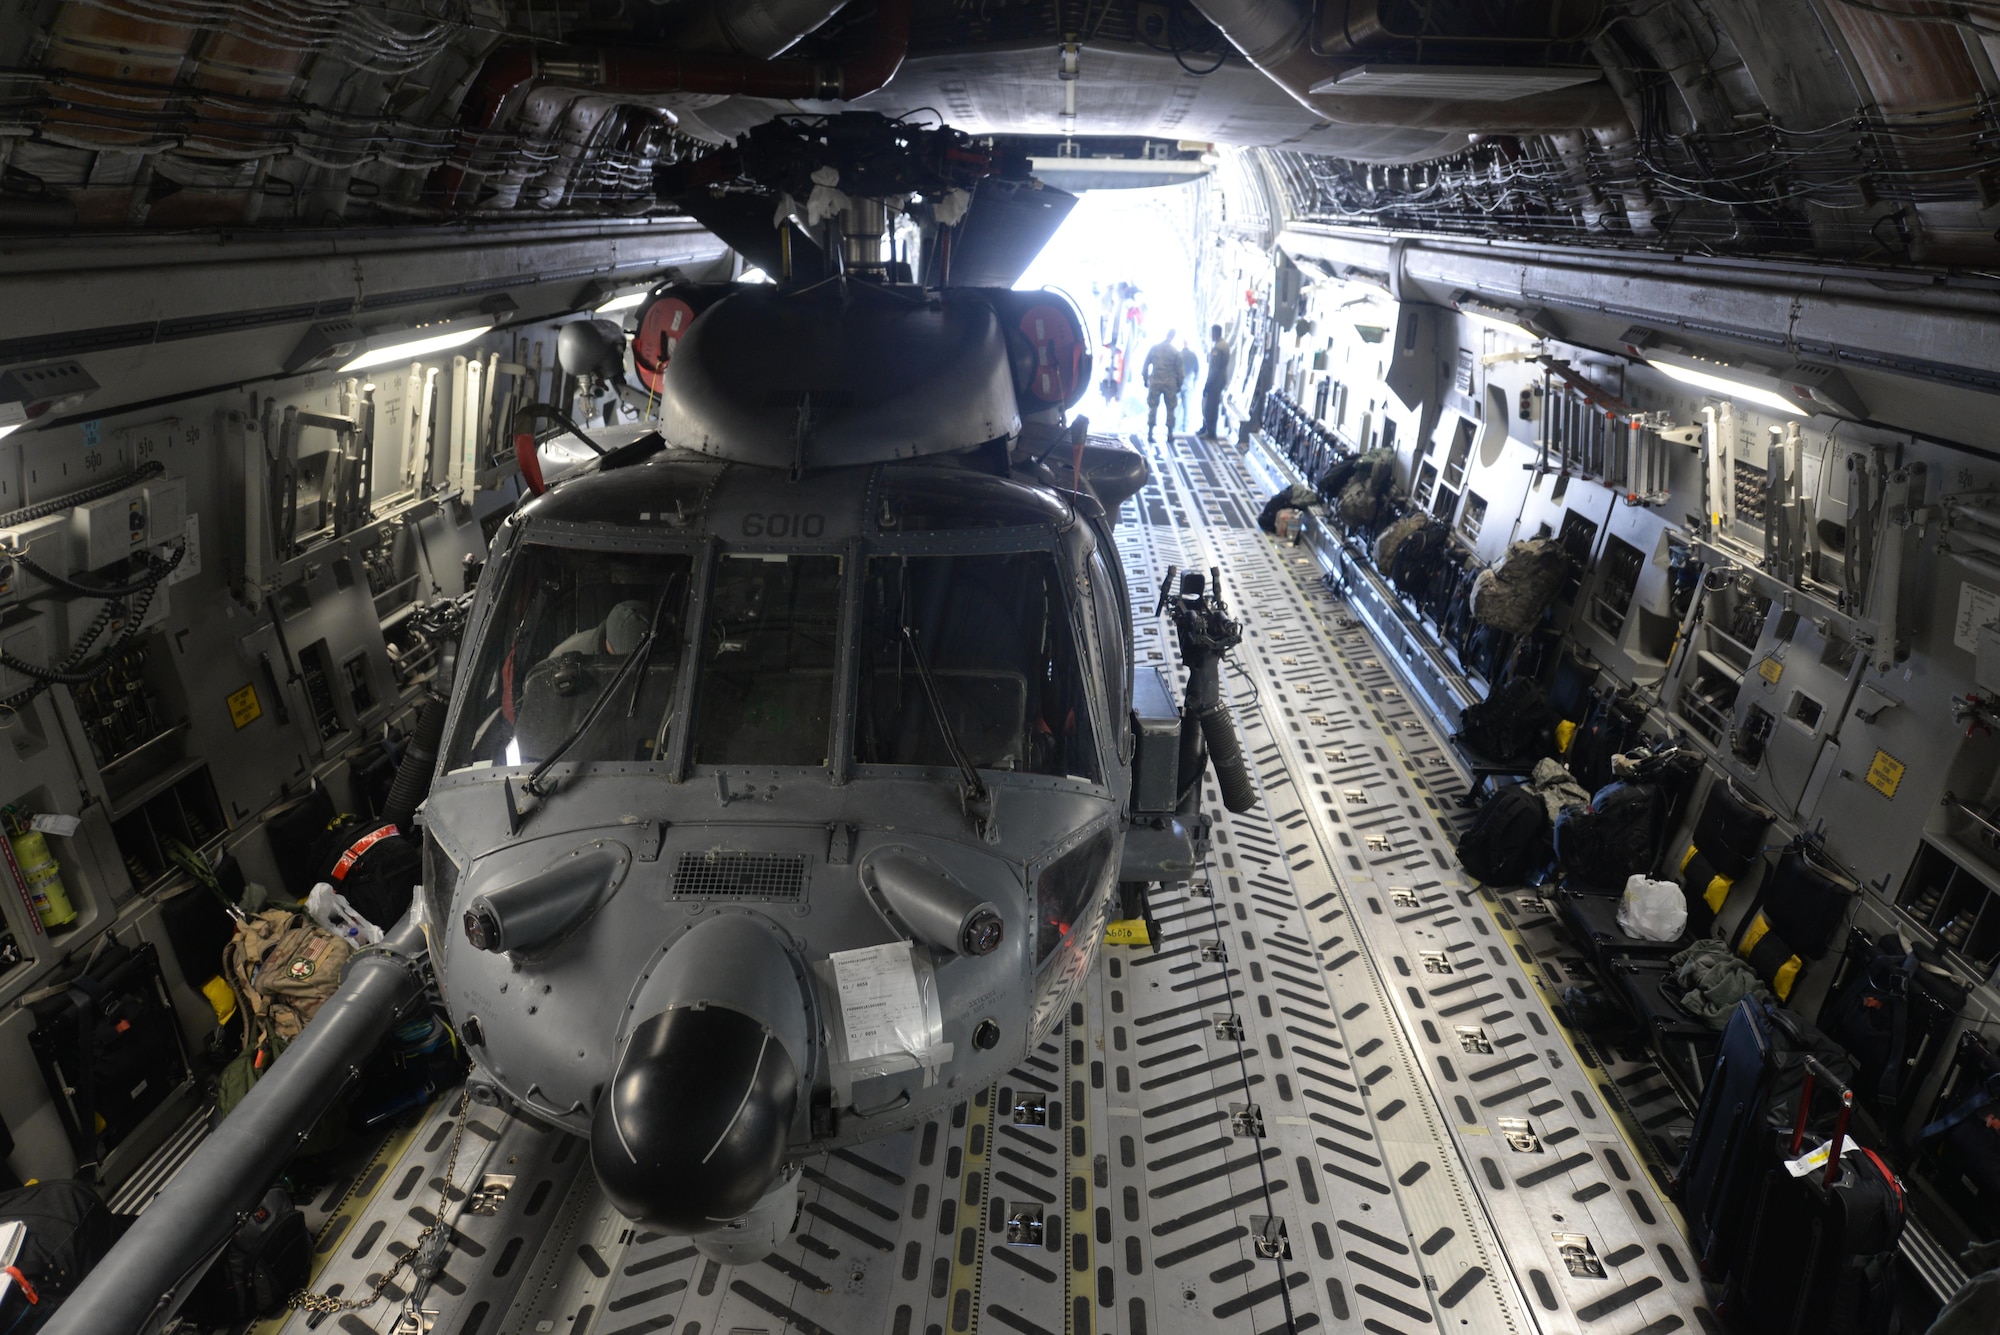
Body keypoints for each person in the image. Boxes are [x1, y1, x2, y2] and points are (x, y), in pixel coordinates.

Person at [1142, 330, 1184, 442]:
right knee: (1170, 408)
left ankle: (1150, 433)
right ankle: (1169, 434)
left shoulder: (1154, 348)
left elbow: (1145, 366)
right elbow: (1180, 372)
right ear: (1173, 337)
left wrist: (1145, 380)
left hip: (1155, 381)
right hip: (1170, 383)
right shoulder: (1175, 352)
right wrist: (1179, 385)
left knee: (1153, 407)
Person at [1201, 324, 1231, 440]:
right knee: (1211, 405)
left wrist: (1207, 385)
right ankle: (1207, 428)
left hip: (1216, 381)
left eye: (1211, 333)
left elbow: (1214, 368)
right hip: (1220, 379)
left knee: (1211, 406)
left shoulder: (1218, 348)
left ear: (1215, 333)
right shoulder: (1224, 345)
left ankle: (1210, 431)